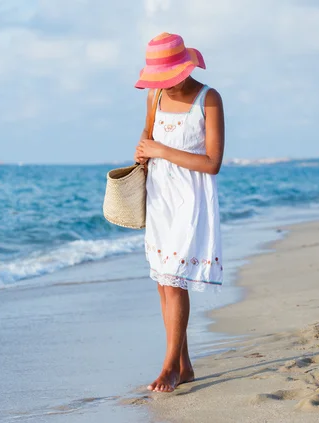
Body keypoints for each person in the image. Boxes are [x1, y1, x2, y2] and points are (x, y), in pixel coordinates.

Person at [133, 32, 225, 393]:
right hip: (160, 196)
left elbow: (212, 163)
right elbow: (146, 134)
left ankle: (169, 366)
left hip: (190, 200)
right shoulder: (154, 96)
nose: (164, 86)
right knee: (163, 281)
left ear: (186, 70)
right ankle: (184, 365)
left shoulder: (209, 99)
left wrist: (160, 150)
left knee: (175, 280)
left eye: (168, 79)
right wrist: (142, 152)